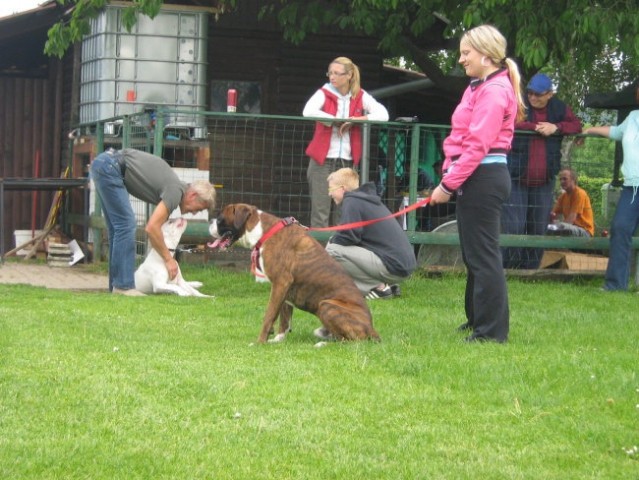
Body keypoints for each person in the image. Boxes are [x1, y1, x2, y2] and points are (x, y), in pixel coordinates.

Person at [429, 24, 526, 343]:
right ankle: (476, 319)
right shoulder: (477, 87)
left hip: (483, 177)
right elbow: (461, 137)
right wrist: (450, 170)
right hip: (475, 176)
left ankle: (491, 332)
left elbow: (477, 145)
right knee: (474, 255)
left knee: (484, 256)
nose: (461, 59)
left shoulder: (495, 92)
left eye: (466, 53)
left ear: (486, 55)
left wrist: (446, 185)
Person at [90, 148, 216, 296]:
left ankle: (116, 286)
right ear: (193, 195)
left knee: (117, 228)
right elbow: (152, 228)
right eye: (199, 208)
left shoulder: (175, 187)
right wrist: (169, 260)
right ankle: (123, 287)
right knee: (126, 224)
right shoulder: (175, 191)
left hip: (105, 163)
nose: (194, 213)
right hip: (110, 166)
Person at [502, 73, 583, 268]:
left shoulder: (560, 108)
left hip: (545, 180)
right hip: (516, 177)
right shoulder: (519, 103)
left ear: (550, 94)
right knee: (514, 226)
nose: (533, 98)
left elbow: (576, 125)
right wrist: (536, 127)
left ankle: (530, 269)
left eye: (538, 94)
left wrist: (556, 127)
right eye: (530, 93)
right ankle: (509, 268)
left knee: (538, 227)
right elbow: (508, 121)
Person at [303, 56, 389, 227]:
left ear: (349, 75)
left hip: (347, 163)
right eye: (330, 73)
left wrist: (356, 120)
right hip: (322, 161)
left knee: (344, 212)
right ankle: (320, 253)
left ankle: (339, 252)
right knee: (320, 213)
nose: (332, 77)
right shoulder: (324, 93)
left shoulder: (359, 95)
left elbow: (383, 114)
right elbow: (308, 111)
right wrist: (336, 120)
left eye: (337, 73)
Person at [324, 168, 416, 300]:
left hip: (394, 266)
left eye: (331, 189)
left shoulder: (352, 201)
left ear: (342, 188)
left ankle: (377, 287)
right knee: (335, 244)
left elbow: (350, 236)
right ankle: (387, 285)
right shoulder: (364, 199)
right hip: (402, 265)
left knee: (332, 250)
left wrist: (332, 241)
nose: (330, 194)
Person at [583, 84, 639, 291]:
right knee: (620, 228)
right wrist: (590, 129)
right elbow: (617, 132)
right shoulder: (633, 116)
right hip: (632, 187)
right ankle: (616, 284)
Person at [547, 168, 594, 237]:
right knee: (546, 227)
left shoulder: (579, 194)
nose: (562, 182)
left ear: (573, 180)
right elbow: (553, 214)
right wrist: (551, 221)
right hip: (570, 228)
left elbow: (571, 219)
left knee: (562, 227)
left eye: (565, 179)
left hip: (585, 231)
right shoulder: (563, 196)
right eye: (560, 179)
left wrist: (557, 226)